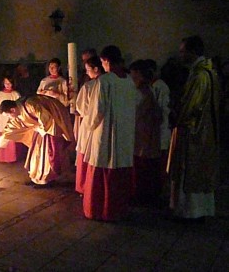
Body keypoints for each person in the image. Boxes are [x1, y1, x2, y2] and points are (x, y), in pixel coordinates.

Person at [81, 45, 137, 221]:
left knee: (102, 165)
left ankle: (100, 209)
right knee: (119, 171)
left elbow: (97, 110)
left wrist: (88, 127)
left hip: (106, 132)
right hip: (125, 134)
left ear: (106, 61)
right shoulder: (129, 80)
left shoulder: (105, 81)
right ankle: (118, 209)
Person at [168, 35, 220, 222]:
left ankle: (190, 212)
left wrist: (175, 115)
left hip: (193, 131)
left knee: (190, 170)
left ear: (192, 52)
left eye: (183, 51)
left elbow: (192, 106)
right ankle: (195, 210)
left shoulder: (200, 75)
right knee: (198, 170)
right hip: (203, 130)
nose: (180, 55)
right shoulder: (207, 72)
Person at [0, 95, 74, 187]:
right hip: (39, 130)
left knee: (46, 154)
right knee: (35, 153)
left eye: (8, 115)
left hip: (50, 126)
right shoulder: (17, 115)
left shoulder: (31, 105)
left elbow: (46, 118)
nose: (10, 117)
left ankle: (46, 179)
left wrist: (40, 129)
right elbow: (8, 131)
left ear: (13, 110)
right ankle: (36, 178)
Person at [129, 60, 162, 205]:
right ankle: (145, 194)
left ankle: (142, 195)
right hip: (146, 134)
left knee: (142, 167)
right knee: (145, 166)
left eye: (134, 75)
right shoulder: (148, 89)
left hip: (143, 134)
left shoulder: (144, 91)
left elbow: (139, 113)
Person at [75, 56, 104, 195]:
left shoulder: (89, 86)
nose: (86, 73)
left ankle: (84, 186)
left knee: (85, 153)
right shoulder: (107, 84)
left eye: (88, 69)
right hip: (103, 126)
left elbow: (81, 108)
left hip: (88, 124)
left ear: (96, 69)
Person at [0, 77, 21, 163]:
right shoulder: (0, 95)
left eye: (9, 83)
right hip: (3, 122)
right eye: (5, 83)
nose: (7, 85)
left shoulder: (16, 96)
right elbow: (7, 134)